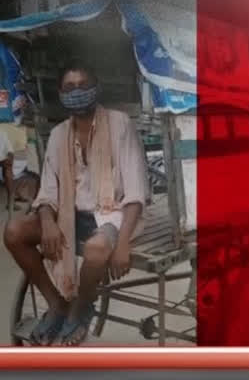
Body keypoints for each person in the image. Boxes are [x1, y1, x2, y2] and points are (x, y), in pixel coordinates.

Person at [4, 63, 149, 346]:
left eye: (83, 86)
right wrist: (47, 223)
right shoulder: (59, 134)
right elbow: (47, 192)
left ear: (96, 89)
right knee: (13, 231)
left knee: (96, 249)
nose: (77, 93)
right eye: (69, 88)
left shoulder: (120, 124)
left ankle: (81, 307)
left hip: (112, 215)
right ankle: (57, 303)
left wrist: (121, 244)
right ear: (60, 94)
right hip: (70, 215)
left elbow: (135, 192)